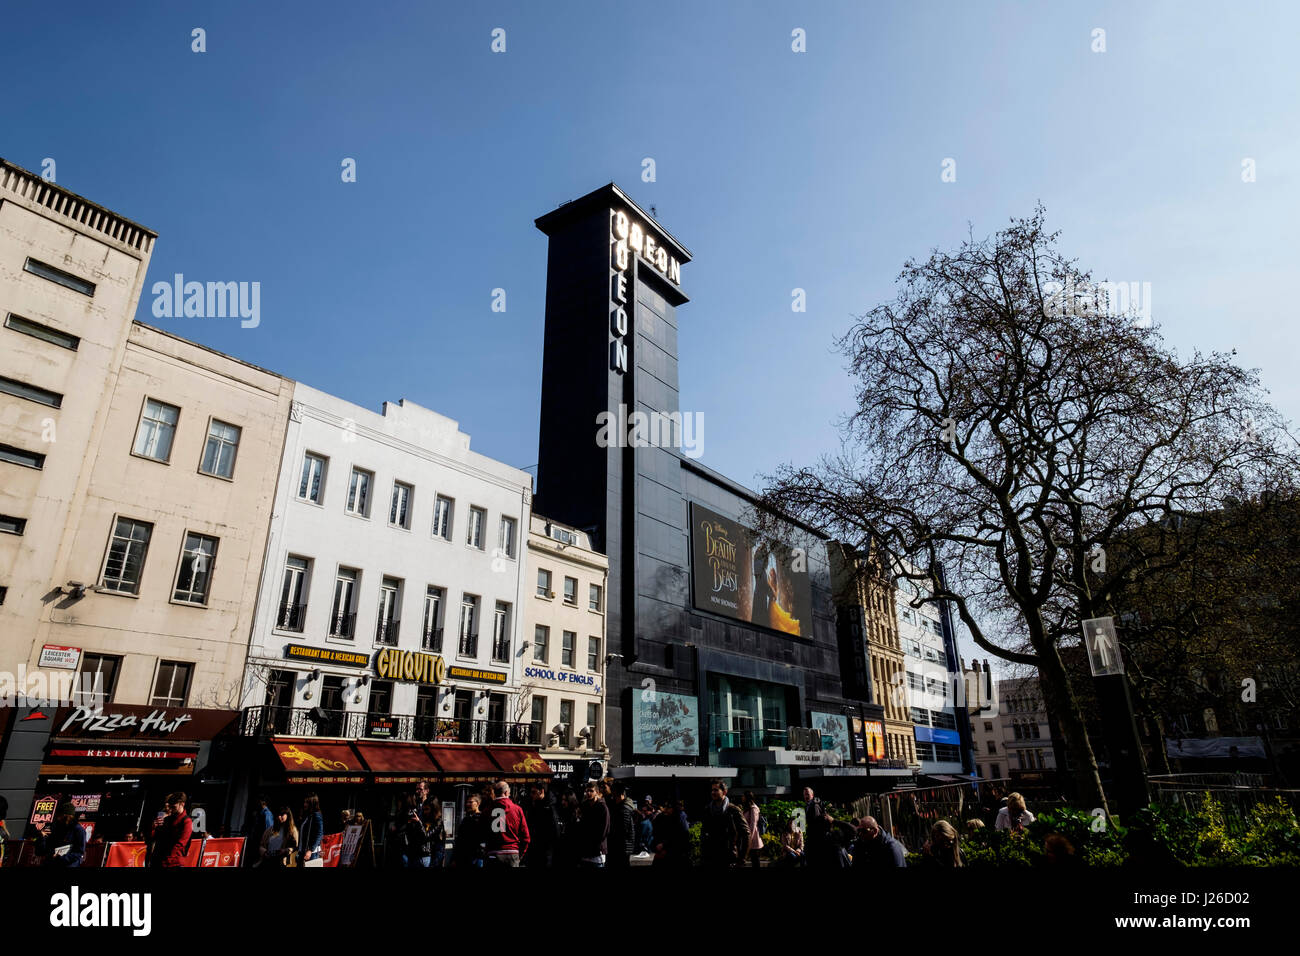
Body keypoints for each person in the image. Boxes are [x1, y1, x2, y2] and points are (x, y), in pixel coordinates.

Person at [700, 780, 749, 868]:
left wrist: (742, 859)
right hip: (711, 858)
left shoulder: (733, 810)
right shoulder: (708, 810)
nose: (713, 792)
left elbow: (746, 834)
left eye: (716, 790)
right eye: (712, 790)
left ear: (724, 792)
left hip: (730, 857)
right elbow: (704, 833)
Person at [484, 780, 530, 867]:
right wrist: (520, 855)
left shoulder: (487, 810)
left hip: (493, 853)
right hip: (512, 853)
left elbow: (480, 833)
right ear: (506, 792)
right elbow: (526, 837)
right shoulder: (517, 809)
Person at [149, 792, 194, 867]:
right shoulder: (167, 819)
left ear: (182, 804)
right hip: (159, 860)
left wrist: (168, 860)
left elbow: (181, 844)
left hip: (173, 862)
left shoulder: (187, 821)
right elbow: (155, 837)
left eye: (174, 807)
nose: (171, 809)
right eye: (171, 807)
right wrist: (154, 827)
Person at [37, 802, 87, 867]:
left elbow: (79, 853)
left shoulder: (79, 830)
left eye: (60, 816)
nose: (58, 818)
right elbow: (41, 851)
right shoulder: (56, 828)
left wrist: (61, 858)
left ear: (67, 816)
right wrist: (42, 838)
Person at [575, 781, 610, 867]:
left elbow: (605, 830)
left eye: (591, 791)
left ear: (597, 792)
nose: (588, 793)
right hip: (585, 852)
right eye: (587, 791)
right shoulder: (583, 806)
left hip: (597, 853)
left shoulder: (602, 808)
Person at [525, 781, 560, 867]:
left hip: (544, 851)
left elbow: (556, 831)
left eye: (534, 792)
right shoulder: (532, 805)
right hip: (534, 850)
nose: (531, 795)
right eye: (531, 792)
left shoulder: (549, 808)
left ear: (542, 791)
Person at [604, 779, 636, 868]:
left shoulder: (624, 809)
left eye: (613, 791)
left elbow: (622, 830)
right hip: (617, 847)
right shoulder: (617, 806)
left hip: (621, 849)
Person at [452, 795, 486, 868]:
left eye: (471, 802)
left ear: (478, 803)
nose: (467, 804)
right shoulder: (466, 819)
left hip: (477, 856)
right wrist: (454, 858)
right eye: (467, 802)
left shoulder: (483, 818)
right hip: (465, 857)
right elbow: (459, 840)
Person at [651, 803, 689, 868]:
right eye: (665, 807)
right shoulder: (662, 817)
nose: (665, 809)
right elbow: (656, 832)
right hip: (663, 850)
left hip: (673, 852)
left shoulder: (679, 818)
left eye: (668, 808)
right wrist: (658, 845)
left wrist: (664, 845)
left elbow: (679, 836)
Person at [801, 786, 831, 868]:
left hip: (816, 838)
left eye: (807, 794)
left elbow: (817, 822)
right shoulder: (809, 805)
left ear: (812, 795)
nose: (806, 796)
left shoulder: (814, 805)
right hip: (814, 836)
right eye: (804, 794)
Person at [299, 793, 324, 866]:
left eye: (307, 802)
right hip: (304, 851)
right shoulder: (308, 815)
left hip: (311, 853)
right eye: (304, 802)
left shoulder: (316, 815)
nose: (304, 804)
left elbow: (320, 834)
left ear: (312, 803)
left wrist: (310, 850)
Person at [742, 792, 763, 868]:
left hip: (753, 838)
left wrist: (749, 838)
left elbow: (753, 824)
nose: (742, 798)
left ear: (747, 797)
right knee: (753, 859)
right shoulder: (748, 808)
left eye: (743, 796)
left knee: (755, 860)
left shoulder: (753, 809)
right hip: (748, 836)